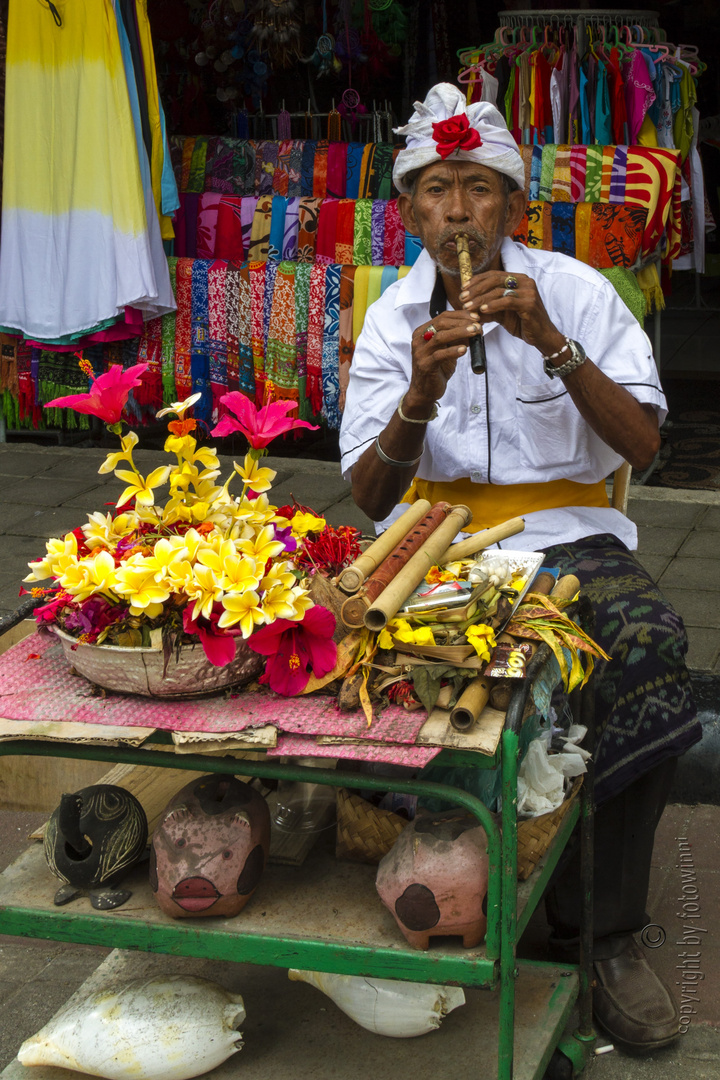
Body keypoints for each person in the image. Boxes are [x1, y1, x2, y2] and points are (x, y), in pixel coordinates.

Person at [339, 84, 702, 1052]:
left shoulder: (579, 291)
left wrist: (553, 341)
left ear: (515, 208)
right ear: (409, 212)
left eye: (480, 190)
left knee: (646, 644)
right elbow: (372, 501)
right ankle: (431, 870)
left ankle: (608, 935)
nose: (458, 213)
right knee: (336, 654)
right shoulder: (390, 318)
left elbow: (645, 446)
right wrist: (420, 386)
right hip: (431, 544)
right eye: (437, 191)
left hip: (567, 534)